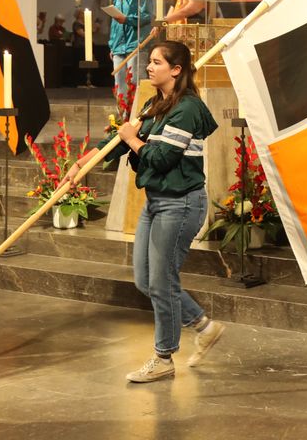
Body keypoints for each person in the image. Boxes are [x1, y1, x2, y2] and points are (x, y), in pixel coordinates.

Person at [78, 40, 224, 382]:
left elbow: (159, 157)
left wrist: (130, 138)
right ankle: (204, 326)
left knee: (162, 281)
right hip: (157, 201)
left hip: (181, 203)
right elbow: (119, 140)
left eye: (156, 62)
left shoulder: (187, 109)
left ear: (175, 70)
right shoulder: (156, 103)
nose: (149, 66)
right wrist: (82, 165)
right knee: (146, 281)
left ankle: (164, 357)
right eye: (150, 61)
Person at [106, 0, 151, 90]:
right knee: (120, 84)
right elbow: (115, 23)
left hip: (136, 43)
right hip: (119, 46)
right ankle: (123, 111)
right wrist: (112, 45)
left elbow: (147, 14)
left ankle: (138, 111)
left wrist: (127, 19)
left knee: (136, 82)